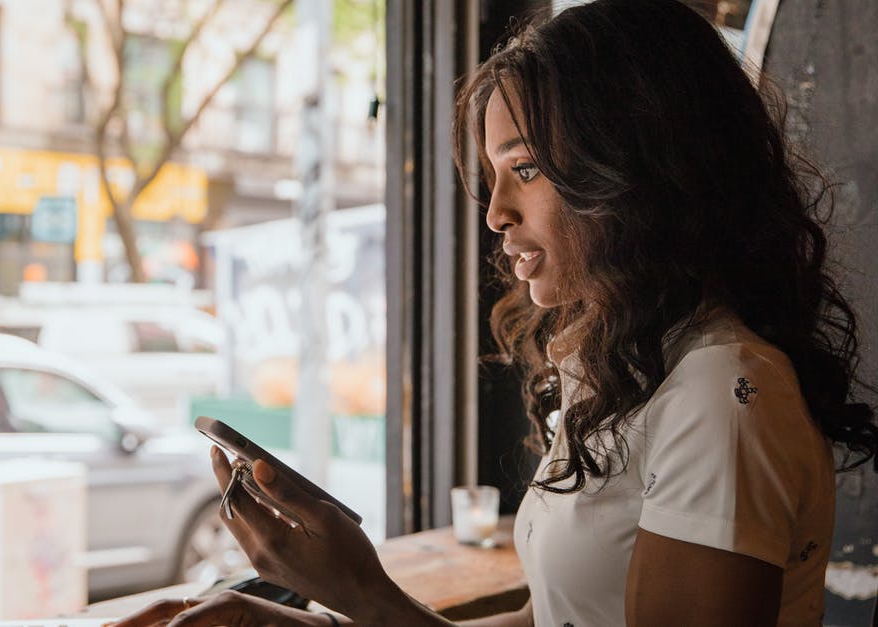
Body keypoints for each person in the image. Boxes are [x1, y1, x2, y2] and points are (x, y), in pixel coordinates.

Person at [111, 0, 878, 625]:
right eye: (494, 173)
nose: (496, 213)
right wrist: (300, 622)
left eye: (527, 167)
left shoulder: (723, 392)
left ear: (638, 163)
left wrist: (367, 595)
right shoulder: (626, 369)